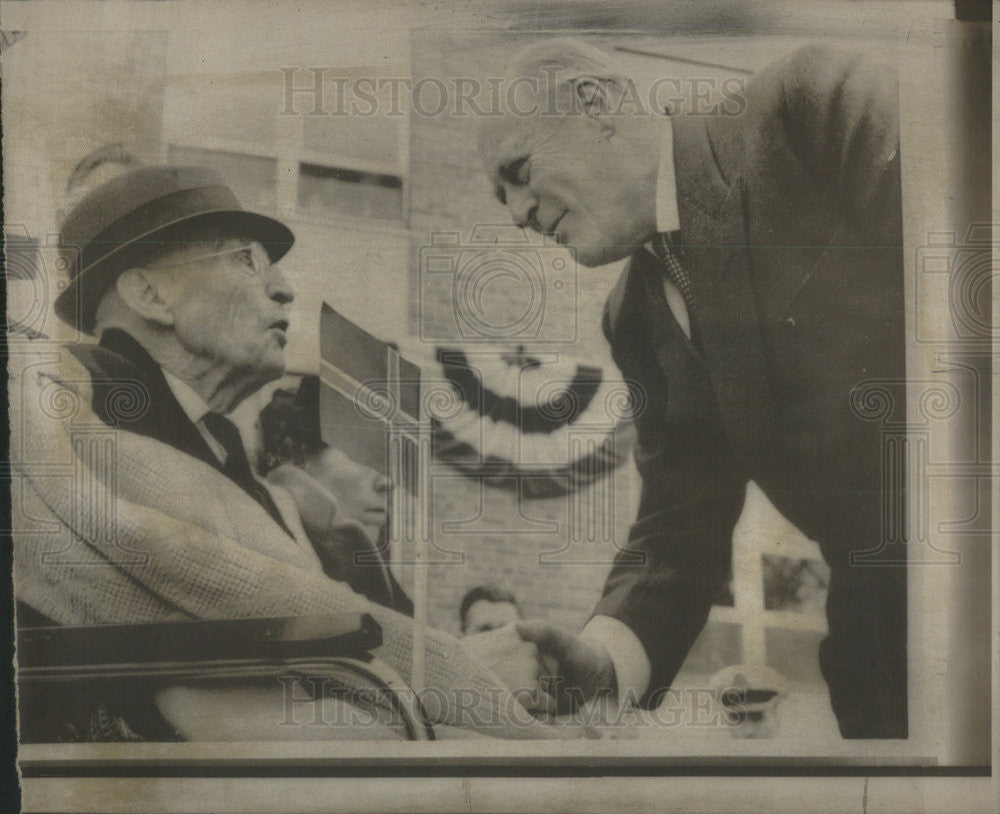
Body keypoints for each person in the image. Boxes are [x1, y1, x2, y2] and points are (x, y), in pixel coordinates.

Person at [13, 165, 553, 740]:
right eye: (245, 260)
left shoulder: (217, 443)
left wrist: (467, 670)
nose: (284, 288)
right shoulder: (84, 395)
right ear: (150, 294)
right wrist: (456, 674)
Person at [477, 39, 906, 738]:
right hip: (885, 648)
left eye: (518, 171)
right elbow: (681, 526)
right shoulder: (634, 321)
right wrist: (605, 660)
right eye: (503, 198)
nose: (516, 213)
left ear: (596, 105)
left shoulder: (812, 106)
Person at [257, 376, 414, 615]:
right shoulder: (266, 560)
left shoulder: (371, 576)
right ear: (295, 455)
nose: (388, 482)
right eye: (362, 454)